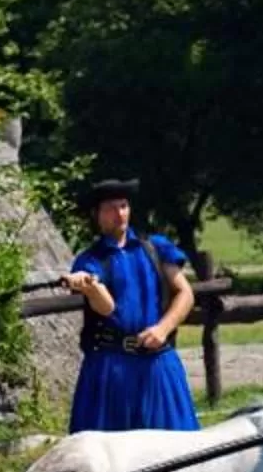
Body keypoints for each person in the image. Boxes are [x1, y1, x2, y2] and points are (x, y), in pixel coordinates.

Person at [61, 178, 201, 433]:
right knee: (108, 458)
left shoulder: (155, 248)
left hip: (158, 364)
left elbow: (185, 293)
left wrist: (163, 329)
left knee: (178, 449)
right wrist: (91, 287)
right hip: (110, 369)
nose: (120, 214)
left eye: (124, 206)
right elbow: (106, 308)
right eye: (111, 208)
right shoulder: (90, 259)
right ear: (97, 215)